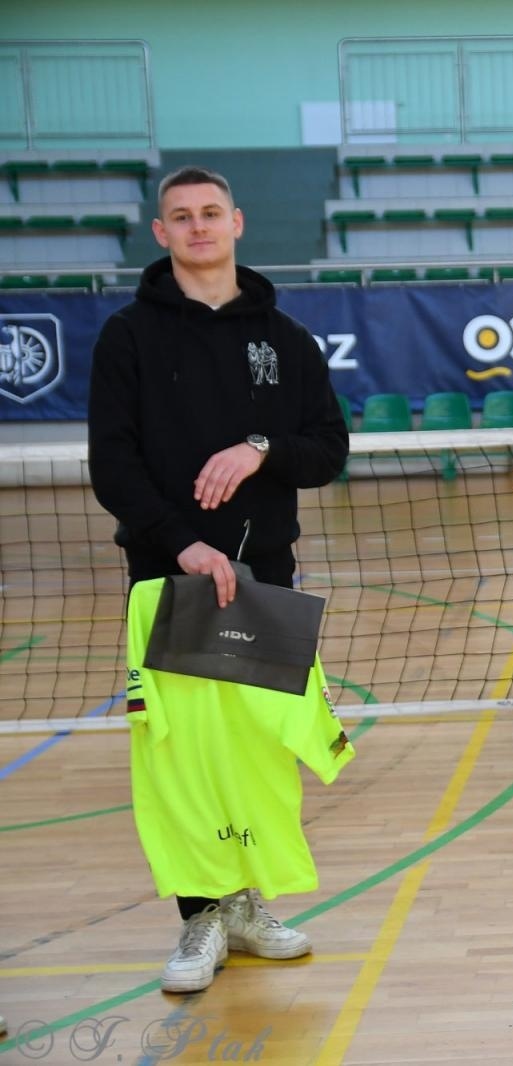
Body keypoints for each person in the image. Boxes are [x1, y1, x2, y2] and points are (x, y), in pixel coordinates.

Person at [88, 165, 349, 992]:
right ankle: (201, 918)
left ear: (236, 223)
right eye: (180, 217)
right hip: (170, 586)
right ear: (160, 234)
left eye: (211, 213)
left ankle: (247, 906)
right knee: (184, 764)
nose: (198, 227)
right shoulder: (127, 336)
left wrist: (261, 448)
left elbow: (328, 451)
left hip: (265, 580)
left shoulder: (288, 339)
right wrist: (180, 546)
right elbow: (112, 465)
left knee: (260, 758)